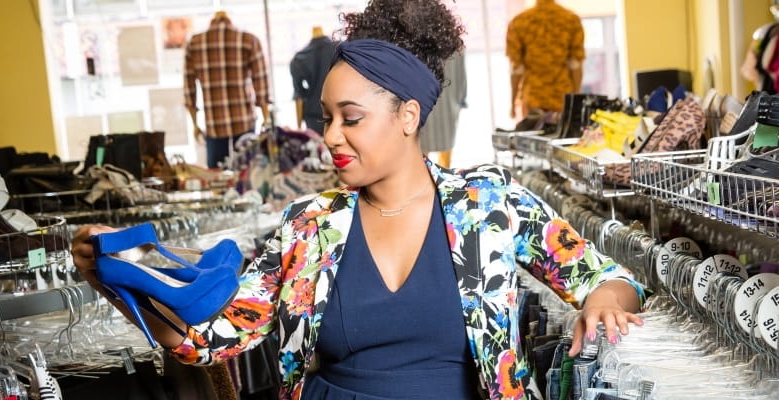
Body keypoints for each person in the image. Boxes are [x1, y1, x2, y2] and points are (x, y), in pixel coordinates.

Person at [71, 1, 645, 399]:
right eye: (326, 120)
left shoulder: (487, 203)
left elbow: (611, 279)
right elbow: (206, 344)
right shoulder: (309, 225)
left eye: (351, 119)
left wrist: (603, 301)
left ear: (408, 116)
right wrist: (110, 279)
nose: (331, 137)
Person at [184, 11, 271, 168]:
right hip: (244, 120)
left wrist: (195, 124)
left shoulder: (195, 43)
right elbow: (261, 82)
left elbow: (189, 87)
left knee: (218, 178)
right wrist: (266, 117)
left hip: (214, 123)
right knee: (248, 175)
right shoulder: (248, 40)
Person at [506, 0, 584, 120]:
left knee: (533, 137)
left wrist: (512, 103)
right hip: (562, 97)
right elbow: (575, 64)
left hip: (533, 97)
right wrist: (576, 100)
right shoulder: (570, 20)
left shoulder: (520, 22)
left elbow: (517, 69)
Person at [419, 51, 467, 168]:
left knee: (422, 152)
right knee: (444, 156)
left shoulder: (417, 41)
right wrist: (460, 100)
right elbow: (461, 78)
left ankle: (429, 180)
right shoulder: (456, 46)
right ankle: (441, 182)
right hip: (448, 104)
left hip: (424, 104)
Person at [291, 26, 337, 135]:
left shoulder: (299, 58)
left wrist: (298, 128)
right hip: (337, 109)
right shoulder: (340, 49)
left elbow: (299, 95)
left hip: (313, 114)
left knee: (317, 149)